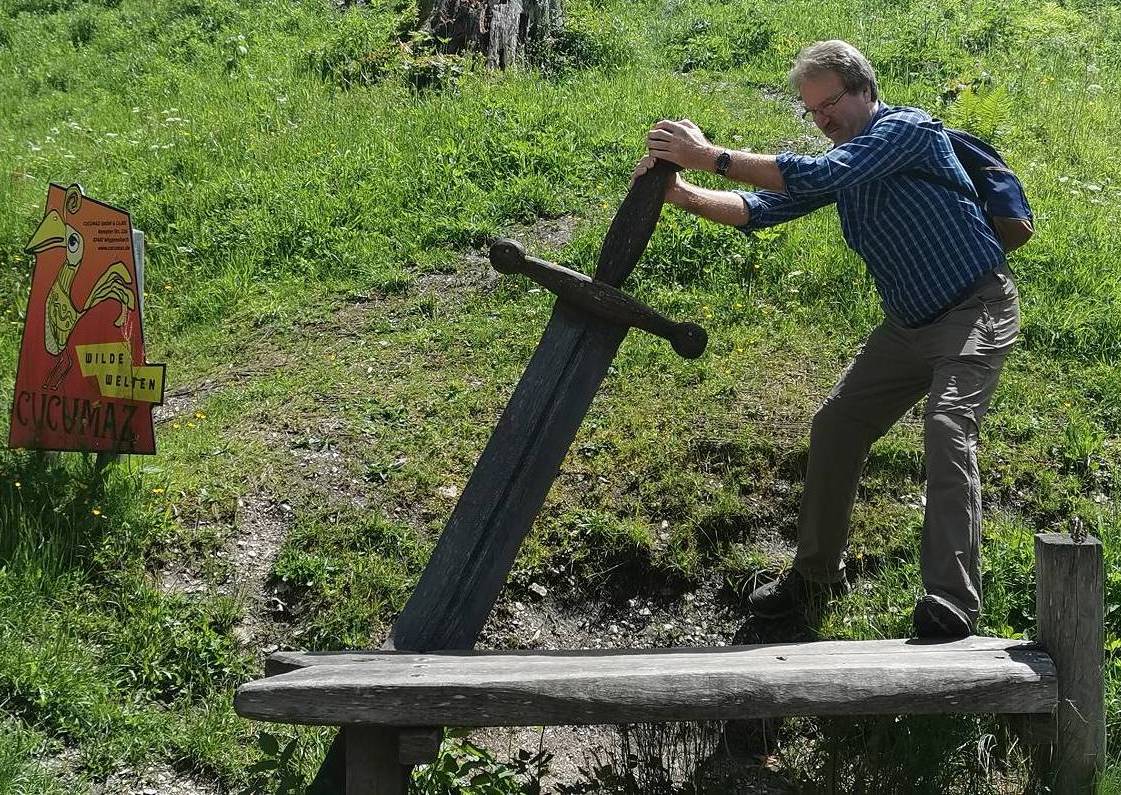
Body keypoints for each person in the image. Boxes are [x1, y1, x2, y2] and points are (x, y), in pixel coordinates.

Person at [632, 39, 1020, 638]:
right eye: (812, 111)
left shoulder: (906, 130)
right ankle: (815, 577)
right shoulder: (847, 159)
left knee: (947, 428)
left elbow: (822, 173)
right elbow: (759, 208)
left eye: (830, 104)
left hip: (975, 308)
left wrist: (708, 155)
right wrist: (679, 193)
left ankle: (951, 603)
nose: (822, 120)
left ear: (864, 89)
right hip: (907, 325)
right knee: (838, 425)